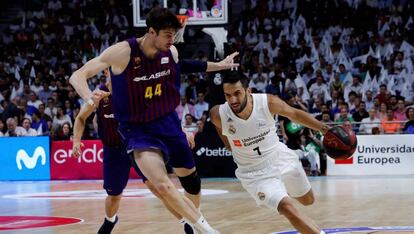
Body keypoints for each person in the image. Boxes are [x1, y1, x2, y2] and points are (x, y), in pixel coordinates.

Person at [69, 7, 238, 234]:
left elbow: (188, 66)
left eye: (174, 35)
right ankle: (208, 231)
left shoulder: (172, 53)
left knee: (192, 185)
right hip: (137, 130)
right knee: (162, 185)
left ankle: (192, 225)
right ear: (151, 31)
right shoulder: (123, 52)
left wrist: (220, 65)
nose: (173, 40)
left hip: (167, 123)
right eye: (168, 35)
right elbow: (77, 75)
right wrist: (89, 97)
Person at [72, 72, 197, 233]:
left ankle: (187, 221)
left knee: (159, 188)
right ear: (106, 72)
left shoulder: (135, 90)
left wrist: (182, 131)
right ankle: (110, 220)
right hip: (113, 151)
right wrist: (76, 140)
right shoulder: (98, 95)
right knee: (114, 195)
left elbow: (160, 113)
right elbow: (81, 118)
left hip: (137, 144)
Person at [210, 72, 328, 234]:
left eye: (237, 93)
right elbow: (225, 138)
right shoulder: (218, 114)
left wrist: (324, 128)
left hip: (280, 158)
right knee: (288, 208)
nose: (232, 100)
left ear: (248, 91)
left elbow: (294, 114)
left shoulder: (268, 102)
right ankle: (280, 196)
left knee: (308, 200)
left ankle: (284, 191)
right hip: (254, 174)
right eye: (228, 95)